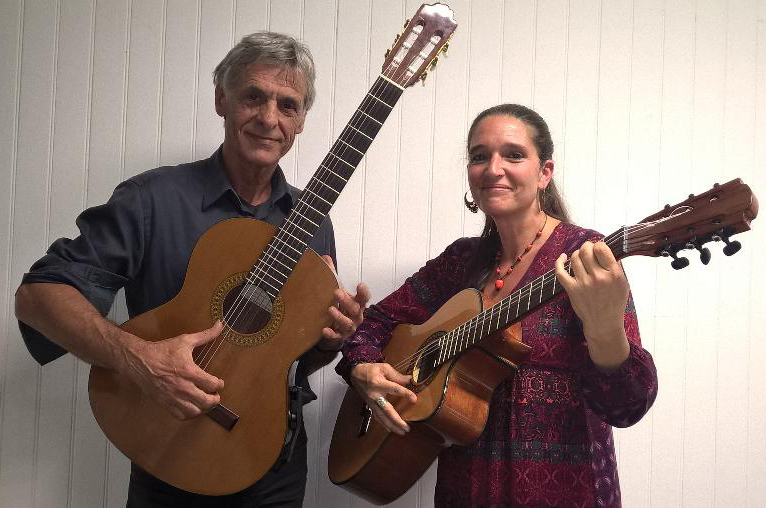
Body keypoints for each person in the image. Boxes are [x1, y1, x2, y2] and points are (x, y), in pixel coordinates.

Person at [15, 32, 369, 507]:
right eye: (254, 97)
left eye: (288, 105)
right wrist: (139, 358)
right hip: (171, 456)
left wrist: (330, 338)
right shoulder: (152, 200)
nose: (269, 118)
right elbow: (39, 296)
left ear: (301, 120)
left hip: (274, 467)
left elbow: (288, 359)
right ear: (222, 99)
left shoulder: (313, 222)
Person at [336, 104, 658, 507]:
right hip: (463, 493)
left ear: (545, 172)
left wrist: (606, 330)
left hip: (564, 492)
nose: (493, 169)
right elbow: (376, 322)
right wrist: (363, 368)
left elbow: (627, 405)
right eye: (479, 156)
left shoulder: (583, 257)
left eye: (514, 155)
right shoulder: (459, 262)